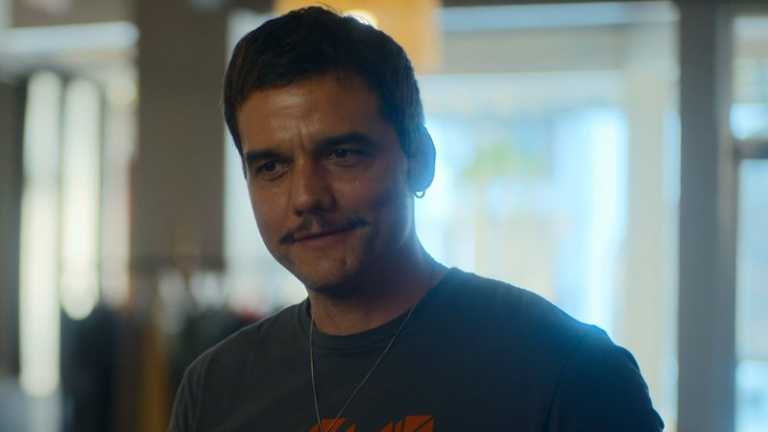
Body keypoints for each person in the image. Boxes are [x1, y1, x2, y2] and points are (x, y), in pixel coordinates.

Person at [168, 6, 664, 432]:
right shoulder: (214, 389)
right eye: (272, 167)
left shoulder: (567, 371)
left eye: (342, 154)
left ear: (419, 159)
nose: (307, 197)